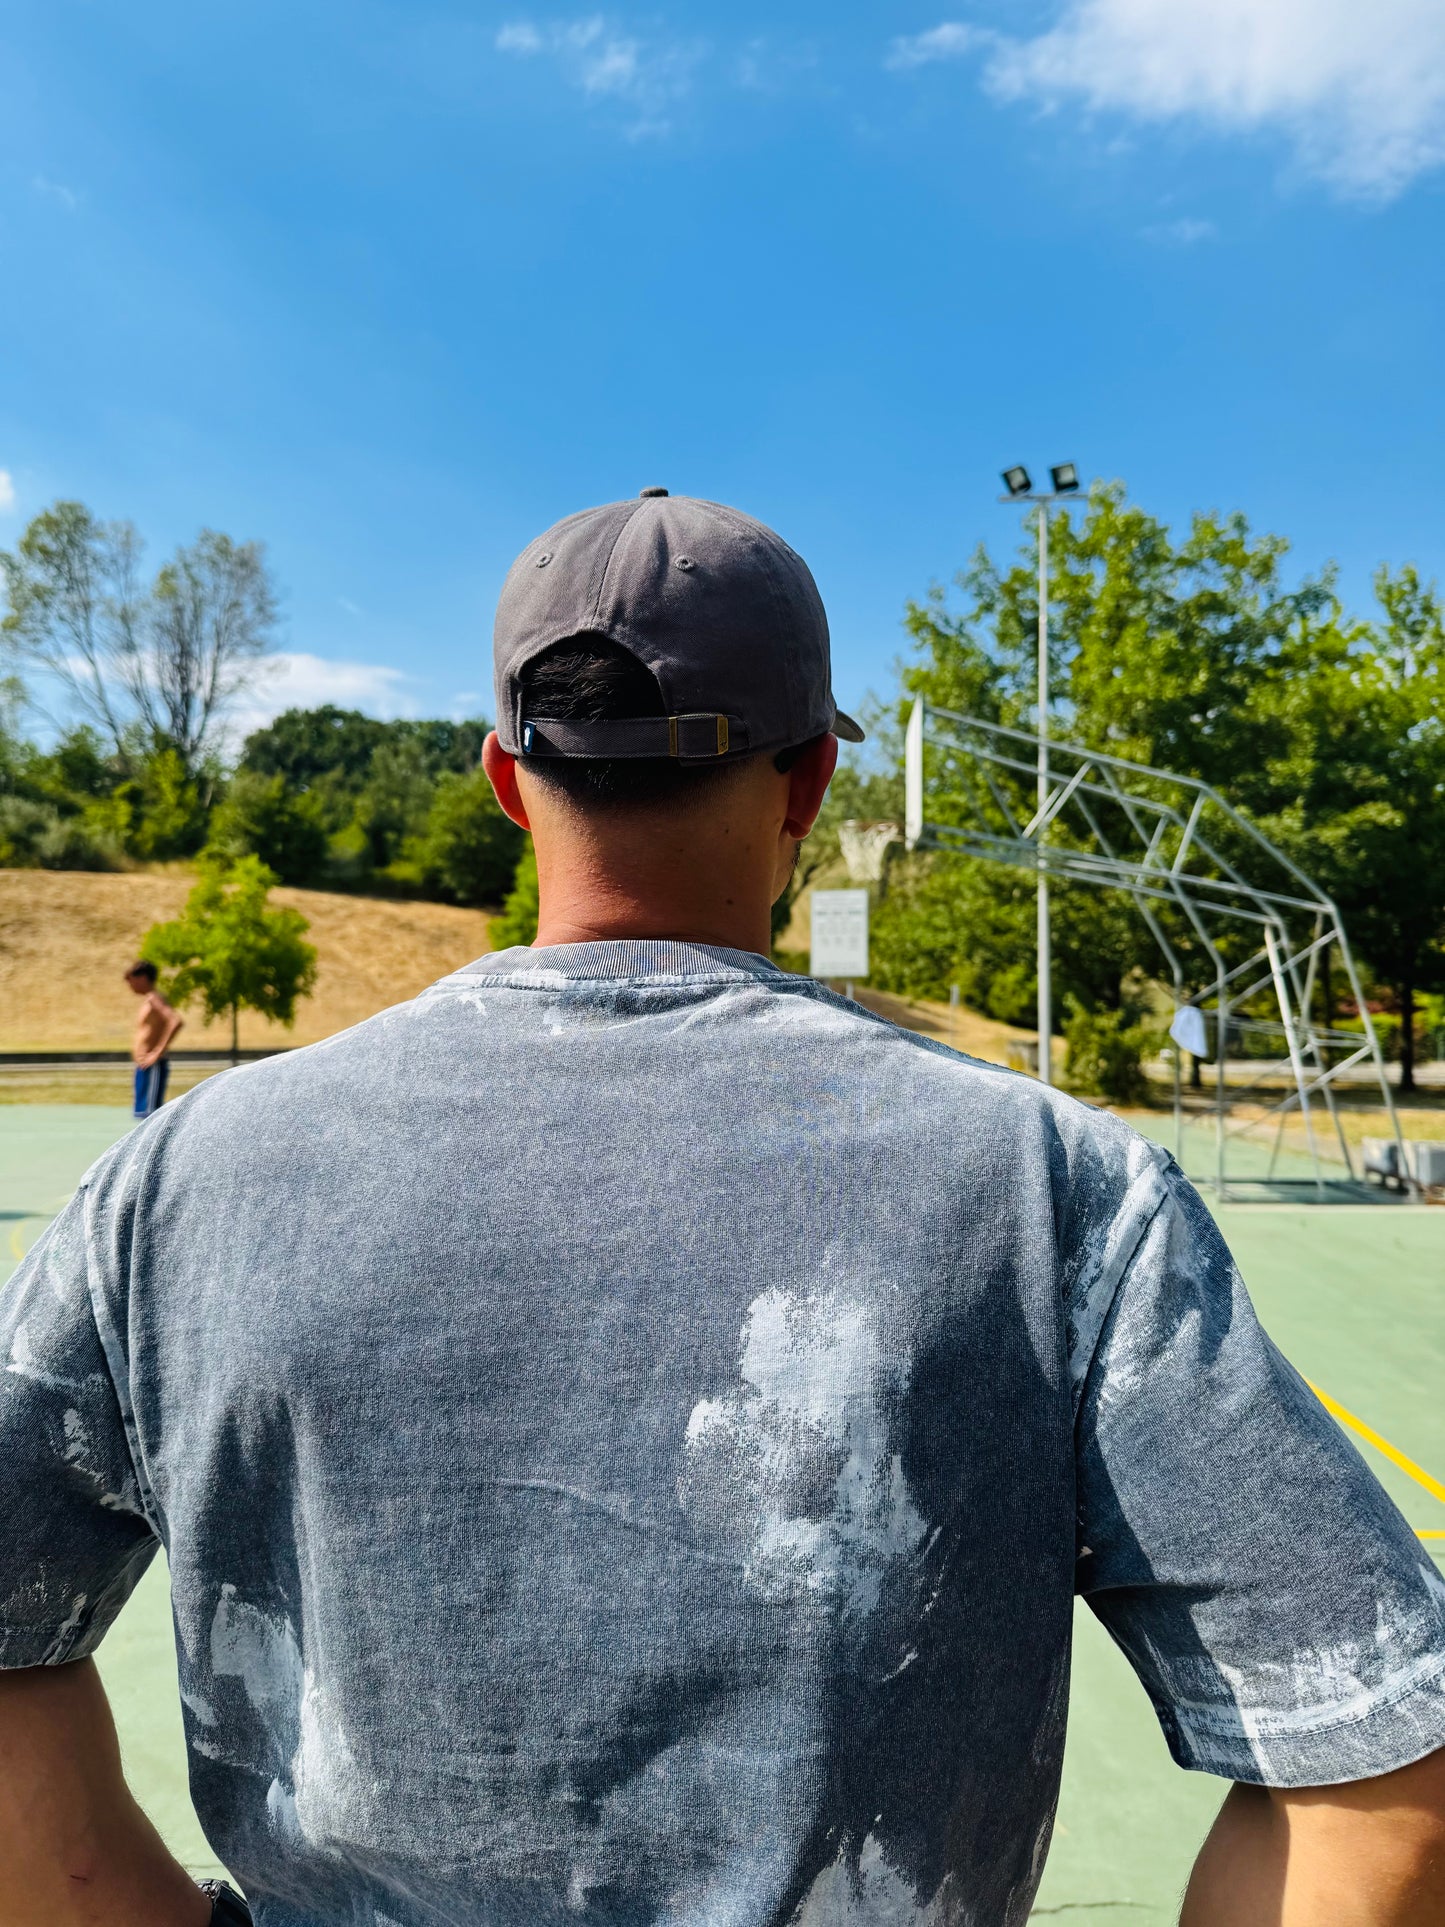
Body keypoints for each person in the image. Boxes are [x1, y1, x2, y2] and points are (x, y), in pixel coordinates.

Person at [1, 489, 1443, 1927]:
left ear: (506, 779)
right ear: (809, 779)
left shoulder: (173, 1185)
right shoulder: (1047, 1186)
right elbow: (1387, 1784)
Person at [124, 959, 184, 1119]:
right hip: (144, 1067)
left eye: (132, 981)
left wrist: (157, 1052)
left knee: (151, 1117)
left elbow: (175, 1021)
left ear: (143, 977)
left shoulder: (154, 999)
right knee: (144, 1116)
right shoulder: (149, 1000)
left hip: (152, 1066)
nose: (130, 986)